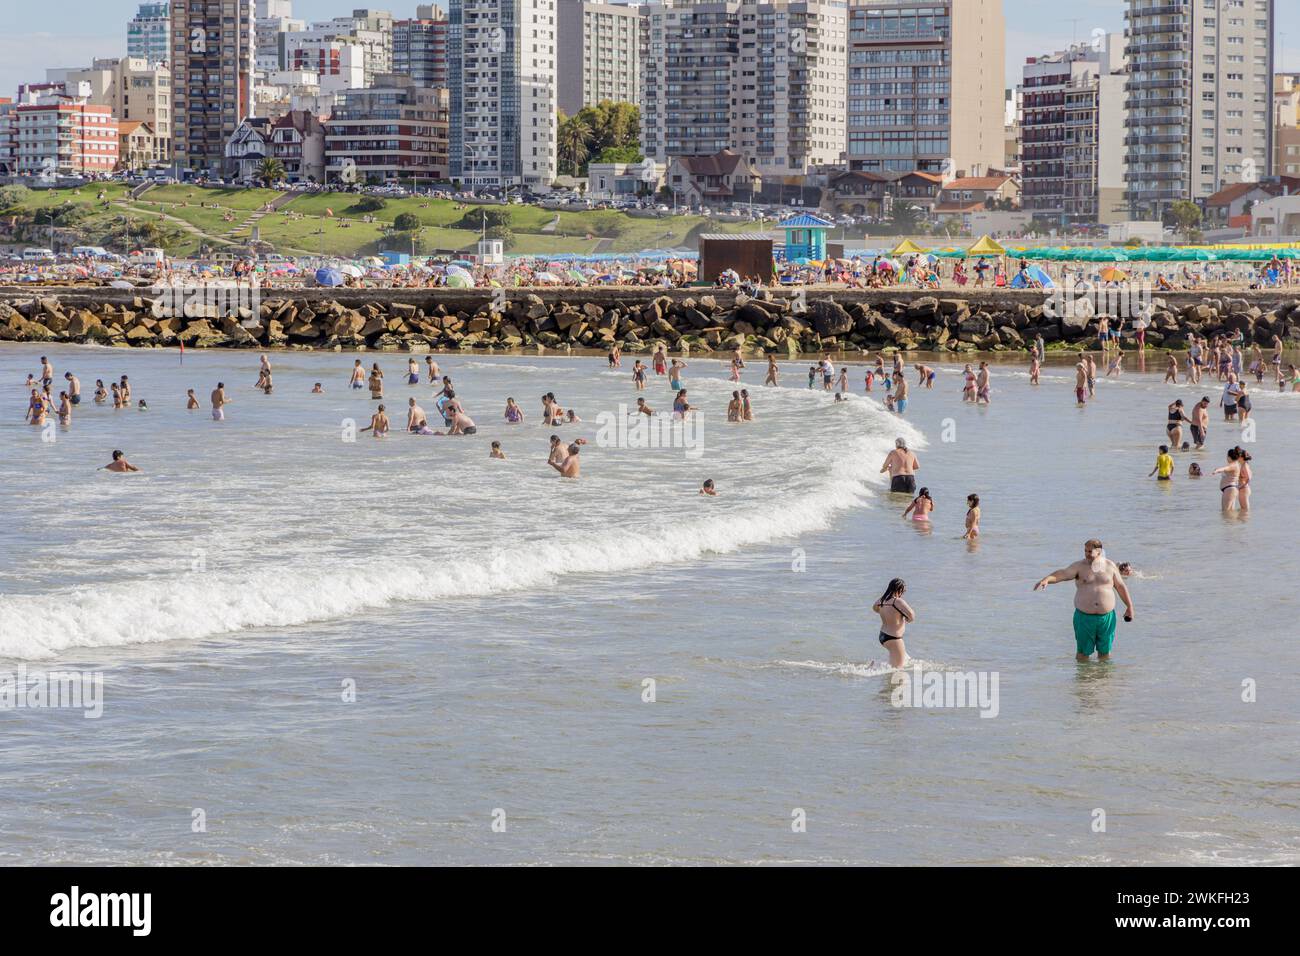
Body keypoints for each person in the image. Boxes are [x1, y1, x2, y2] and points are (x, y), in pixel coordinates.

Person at [1033, 539, 1135, 662]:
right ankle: (1084, 680)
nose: (1086, 553)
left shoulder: (1110, 566)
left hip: (1107, 618)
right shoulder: (1079, 566)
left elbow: (1120, 586)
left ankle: (1104, 680)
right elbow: (1062, 574)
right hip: (1084, 618)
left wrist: (1129, 607)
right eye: (1085, 550)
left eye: (1089, 551)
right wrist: (1047, 579)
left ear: (1099, 551)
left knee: (1105, 654)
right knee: (1082, 655)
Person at [872, 578, 914, 669]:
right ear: (899, 589)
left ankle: (875, 664)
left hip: (883, 636)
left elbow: (874, 608)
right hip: (894, 639)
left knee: (903, 661)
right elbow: (912, 615)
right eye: (904, 591)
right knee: (898, 669)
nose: (903, 593)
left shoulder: (881, 601)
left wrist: (886, 613)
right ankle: (873, 666)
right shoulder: (897, 601)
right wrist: (907, 619)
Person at [1211, 447, 1243, 512]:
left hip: (1230, 489)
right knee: (1230, 512)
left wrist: (1216, 471)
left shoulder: (1233, 465)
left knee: (1225, 512)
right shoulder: (1236, 464)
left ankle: (1228, 522)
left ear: (1229, 457)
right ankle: (1231, 522)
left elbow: (1225, 468)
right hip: (1231, 489)